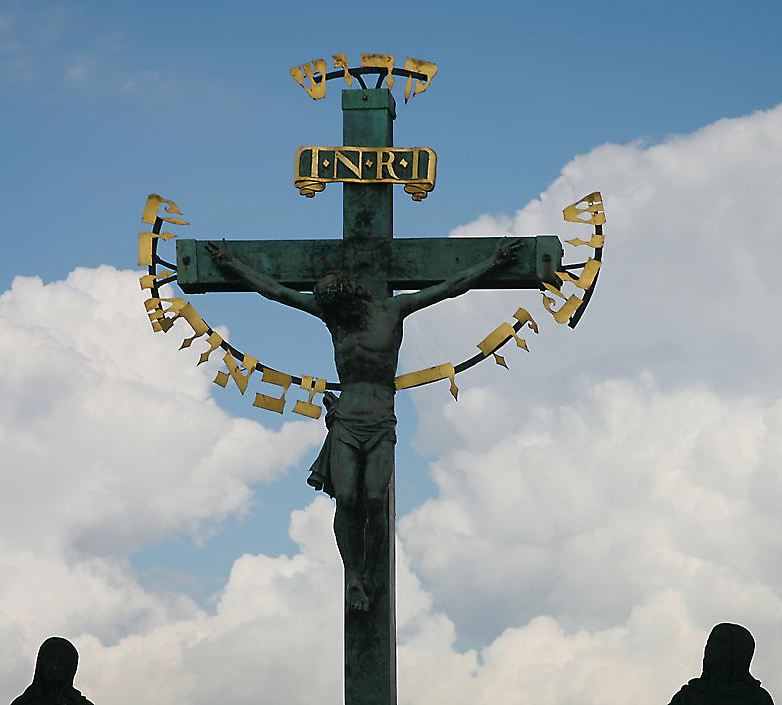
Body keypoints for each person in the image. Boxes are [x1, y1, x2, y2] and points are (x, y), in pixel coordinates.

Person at [207, 238, 520, 610]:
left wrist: (493, 263)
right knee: (348, 498)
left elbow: (450, 288)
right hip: (346, 421)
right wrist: (233, 265)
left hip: (380, 421)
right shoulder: (334, 318)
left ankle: (373, 571)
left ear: (350, 297)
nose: (332, 314)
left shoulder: (393, 309)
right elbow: (277, 292)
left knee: (374, 497)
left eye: (336, 307)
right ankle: (354, 576)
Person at [667, 623, 774, 705]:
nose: (710, 647)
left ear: (738, 652)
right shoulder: (688, 696)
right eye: (710, 642)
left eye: (720, 642)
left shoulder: (758, 699)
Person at [11, 636, 94, 705]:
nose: (55, 667)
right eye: (50, 660)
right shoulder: (22, 703)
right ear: (41, 663)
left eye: (62, 662)